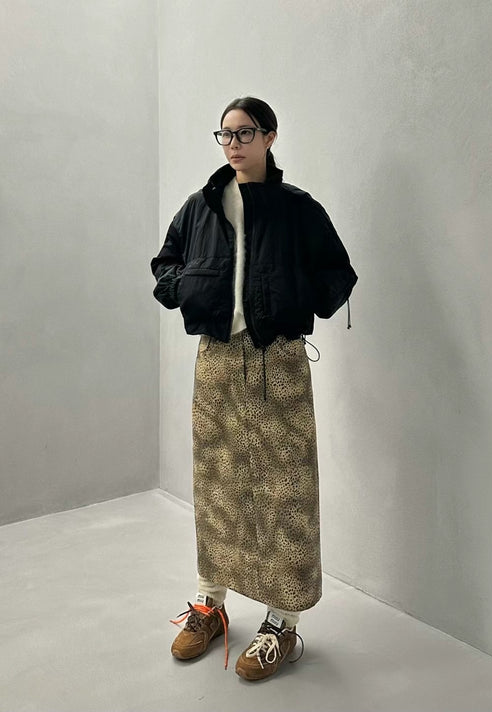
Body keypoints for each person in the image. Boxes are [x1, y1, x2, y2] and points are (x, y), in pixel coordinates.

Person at [150, 96, 358, 682]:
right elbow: (164, 264)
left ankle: (282, 623)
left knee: (285, 489)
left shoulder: (297, 209)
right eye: (225, 134)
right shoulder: (200, 207)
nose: (234, 143)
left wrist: (296, 299)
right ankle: (210, 603)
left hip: (279, 360)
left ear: (270, 137)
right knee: (217, 482)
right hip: (216, 359)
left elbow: (337, 273)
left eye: (245, 133)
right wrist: (187, 288)